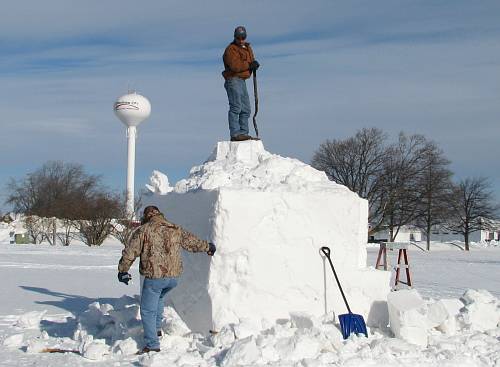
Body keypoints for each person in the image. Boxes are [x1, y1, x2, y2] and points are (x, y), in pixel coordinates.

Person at [117, 205, 216, 354]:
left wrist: (123, 270)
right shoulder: (174, 228)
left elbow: (131, 251)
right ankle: (156, 330)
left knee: (147, 310)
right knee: (159, 299)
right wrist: (207, 247)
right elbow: (192, 242)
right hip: (173, 277)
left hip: (155, 277)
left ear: (146, 216)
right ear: (159, 214)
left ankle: (152, 345)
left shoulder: (144, 230)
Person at [222, 25, 260, 141]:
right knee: (236, 107)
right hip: (233, 79)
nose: (241, 40)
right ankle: (235, 134)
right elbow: (235, 66)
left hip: (242, 80)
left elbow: (251, 60)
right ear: (235, 37)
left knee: (246, 109)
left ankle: (243, 133)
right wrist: (249, 65)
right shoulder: (231, 49)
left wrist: (253, 64)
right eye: (239, 38)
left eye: (243, 37)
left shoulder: (247, 48)